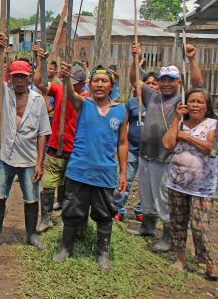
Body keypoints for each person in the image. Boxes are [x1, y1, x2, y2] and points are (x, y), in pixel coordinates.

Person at [127, 42, 202, 252]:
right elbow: (135, 80)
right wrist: (135, 58)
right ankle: (148, 226)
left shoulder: (182, 98)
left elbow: (197, 84)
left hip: (166, 157)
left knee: (164, 197)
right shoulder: (152, 95)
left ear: (179, 82)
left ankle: (168, 236)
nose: (166, 83)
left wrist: (192, 60)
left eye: (171, 80)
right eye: (163, 80)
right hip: (146, 154)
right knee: (146, 193)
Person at [53, 64, 128, 270]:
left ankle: (103, 253)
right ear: (90, 84)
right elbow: (69, 93)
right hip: (79, 170)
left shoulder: (120, 111)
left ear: (112, 86)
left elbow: (122, 143)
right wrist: (67, 78)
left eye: (105, 81)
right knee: (71, 211)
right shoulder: (83, 104)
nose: (100, 84)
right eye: (96, 81)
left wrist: (123, 172)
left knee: (105, 214)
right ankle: (65, 248)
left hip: (105, 173)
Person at [0, 34, 50, 253]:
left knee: (31, 199)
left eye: (23, 77)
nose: (19, 81)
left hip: (29, 159)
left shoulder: (38, 100)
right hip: (4, 156)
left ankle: (31, 236)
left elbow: (42, 133)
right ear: (10, 78)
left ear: (29, 77)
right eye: (15, 77)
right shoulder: (4, 92)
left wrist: (40, 163)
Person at [162, 88, 217, 280]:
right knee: (178, 222)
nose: (194, 105)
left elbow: (211, 149)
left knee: (199, 225)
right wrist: (177, 120)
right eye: (191, 101)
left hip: (202, 187)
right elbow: (168, 144)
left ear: (207, 106)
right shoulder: (180, 124)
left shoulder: (213, 124)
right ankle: (180, 258)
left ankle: (209, 262)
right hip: (177, 183)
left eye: (199, 102)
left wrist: (187, 137)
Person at [33, 46, 89, 232]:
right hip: (56, 145)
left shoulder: (87, 99)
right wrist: (42, 62)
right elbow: (39, 83)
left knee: (69, 187)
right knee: (48, 184)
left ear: (82, 84)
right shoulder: (59, 90)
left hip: (76, 150)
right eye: (69, 81)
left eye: (74, 82)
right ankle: (46, 218)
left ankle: (68, 219)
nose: (70, 85)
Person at [114, 72, 159, 222]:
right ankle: (118, 209)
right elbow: (124, 126)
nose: (151, 86)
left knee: (148, 185)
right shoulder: (131, 103)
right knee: (124, 181)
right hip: (132, 150)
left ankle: (141, 210)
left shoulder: (160, 103)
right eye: (148, 83)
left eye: (154, 83)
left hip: (151, 153)